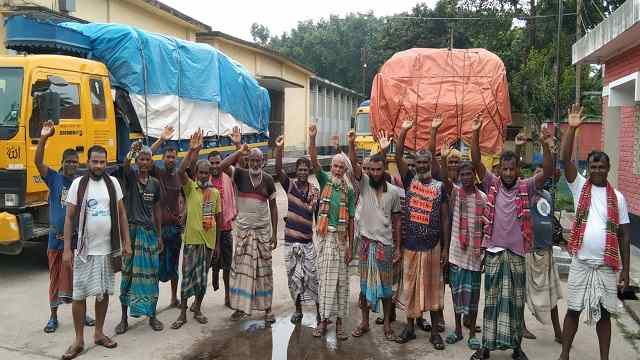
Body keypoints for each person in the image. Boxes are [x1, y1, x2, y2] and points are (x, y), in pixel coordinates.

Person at [469, 113, 554, 360]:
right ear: (500, 170)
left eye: (511, 169)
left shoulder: (526, 186)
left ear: (518, 169)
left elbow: (547, 171)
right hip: (494, 252)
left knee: (516, 304)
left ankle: (517, 348)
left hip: (517, 254)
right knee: (492, 303)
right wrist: (475, 132)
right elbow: (475, 162)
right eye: (504, 169)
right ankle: (485, 347)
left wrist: (545, 144)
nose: (507, 173)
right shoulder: (491, 183)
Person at [558, 105, 631, 360]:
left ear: (608, 168)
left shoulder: (618, 198)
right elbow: (564, 159)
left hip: (606, 266)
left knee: (604, 313)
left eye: (601, 166)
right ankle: (564, 354)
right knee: (573, 310)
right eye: (593, 166)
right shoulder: (579, 187)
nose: (597, 170)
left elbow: (625, 235)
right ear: (588, 168)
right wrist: (573, 128)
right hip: (581, 262)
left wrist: (626, 273)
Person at [61, 145, 131, 360]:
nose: (98, 166)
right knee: (79, 295)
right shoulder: (78, 184)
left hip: (108, 250)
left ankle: (99, 333)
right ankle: (79, 340)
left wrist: (126, 242)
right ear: (88, 162)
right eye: (95, 161)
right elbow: (69, 217)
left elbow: (121, 214)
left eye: (102, 162)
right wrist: (66, 250)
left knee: (104, 293)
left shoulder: (113, 183)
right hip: (84, 251)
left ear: (106, 163)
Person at [393, 116, 450, 350]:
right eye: (419, 163)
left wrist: (445, 247)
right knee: (410, 288)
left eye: (426, 162)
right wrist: (404, 132)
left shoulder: (439, 186)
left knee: (435, 291)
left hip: (433, 246)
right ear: (414, 165)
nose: (422, 166)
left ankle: (435, 332)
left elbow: (445, 219)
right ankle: (409, 327)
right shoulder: (409, 180)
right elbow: (397, 156)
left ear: (431, 163)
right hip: (411, 246)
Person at [35, 120, 95, 333]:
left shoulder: (82, 182)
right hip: (55, 240)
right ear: (62, 163)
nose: (71, 165)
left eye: (75, 162)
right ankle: (53, 317)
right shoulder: (54, 178)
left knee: (81, 279)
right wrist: (43, 138)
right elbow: (37, 161)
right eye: (68, 161)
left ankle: (84, 313)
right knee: (54, 280)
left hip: (77, 242)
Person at [348, 133, 402, 341]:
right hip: (365, 245)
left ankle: (387, 325)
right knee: (363, 288)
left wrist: (398, 247)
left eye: (380, 169)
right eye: (372, 169)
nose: (376, 173)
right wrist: (352, 144)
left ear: (384, 170)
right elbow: (354, 165)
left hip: (385, 246)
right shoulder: (364, 184)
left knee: (387, 290)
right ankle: (364, 323)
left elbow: (397, 221)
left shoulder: (395, 193)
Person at [170, 129, 222, 329]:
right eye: (200, 172)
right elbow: (180, 171)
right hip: (192, 241)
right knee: (187, 278)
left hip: (208, 243)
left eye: (206, 173)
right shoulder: (191, 188)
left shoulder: (215, 193)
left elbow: (218, 219)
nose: (203, 175)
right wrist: (191, 151)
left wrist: (216, 245)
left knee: (202, 280)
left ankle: (197, 308)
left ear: (210, 174)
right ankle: (182, 313)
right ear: (196, 174)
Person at [308, 124, 355, 340]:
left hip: (341, 240)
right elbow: (315, 162)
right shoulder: (325, 181)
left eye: (340, 168)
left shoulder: (350, 190)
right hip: (326, 239)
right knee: (325, 282)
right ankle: (323, 322)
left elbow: (352, 220)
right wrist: (312, 138)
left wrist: (350, 247)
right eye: (335, 167)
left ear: (345, 170)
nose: (337, 170)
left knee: (341, 284)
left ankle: (339, 325)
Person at [223, 143, 278, 323]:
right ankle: (240, 308)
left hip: (262, 233)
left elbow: (274, 207)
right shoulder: (240, 175)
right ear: (248, 161)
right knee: (240, 271)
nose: (255, 163)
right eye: (252, 160)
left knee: (264, 272)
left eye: (258, 161)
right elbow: (222, 166)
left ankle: (267, 309)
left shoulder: (268, 180)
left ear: (263, 162)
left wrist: (275, 233)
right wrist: (239, 151)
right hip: (244, 233)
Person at [115, 141, 164, 333]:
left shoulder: (155, 184)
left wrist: (159, 235)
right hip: (132, 234)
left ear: (151, 163)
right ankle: (124, 319)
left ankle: (152, 316)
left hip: (149, 234)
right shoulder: (130, 178)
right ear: (137, 161)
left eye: (147, 160)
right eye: (141, 159)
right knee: (127, 275)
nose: (144, 162)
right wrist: (131, 152)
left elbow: (157, 209)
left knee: (151, 276)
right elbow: (125, 166)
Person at [274, 135, 321, 324]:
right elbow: (278, 170)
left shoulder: (315, 191)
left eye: (305, 169)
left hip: (308, 241)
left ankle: (319, 311)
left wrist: (319, 235)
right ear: (296, 171)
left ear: (309, 171)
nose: (302, 172)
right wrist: (279, 150)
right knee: (294, 279)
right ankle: (298, 310)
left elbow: (317, 217)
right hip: (290, 241)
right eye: (299, 169)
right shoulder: (290, 186)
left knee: (313, 278)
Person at [443, 160, 486, 350]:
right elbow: (444, 179)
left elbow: (486, 227)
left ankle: (472, 334)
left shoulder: (483, 198)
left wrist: (484, 251)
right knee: (456, 294)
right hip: (456, 252)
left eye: (469, 174)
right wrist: (444, 159)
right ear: (459, 176)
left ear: (474, 175)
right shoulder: (455, 193)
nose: (466, 177)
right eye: (463, 174)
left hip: (475, 254)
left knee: (474, 296)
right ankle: (458, 330)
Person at [522, 165, 563, 343]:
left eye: (542, 173)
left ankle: (558, 331)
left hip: (546, 251)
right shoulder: (526, 195)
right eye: (537, 173)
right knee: (522, 293)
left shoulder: (547, 196)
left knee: (552, 293)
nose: (540, 176)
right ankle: (521, 327)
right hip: (529, 251)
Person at [150, 126, 184, 308]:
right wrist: (161, 139)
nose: (171, 160)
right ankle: (153, 303)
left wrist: (182, 216)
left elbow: (184, 198)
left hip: (175, 229)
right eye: (168, 157)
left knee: (174, 266)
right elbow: (146, 156)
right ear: (163, 159)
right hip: (159, 229)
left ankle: (173, 298)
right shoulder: (158, 173)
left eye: (173, 157)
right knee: (156, 267)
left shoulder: (179, 176)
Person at [208, 150, 237, 308]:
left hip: (225, 229)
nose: (214, 166)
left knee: (227, 266)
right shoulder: (206, 179)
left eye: (217, 162)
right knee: (206, 266)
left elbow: (233, 163)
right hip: (208, 230)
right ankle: (198, 301)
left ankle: (227, 296)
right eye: (211, 163)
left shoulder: (228, 175)